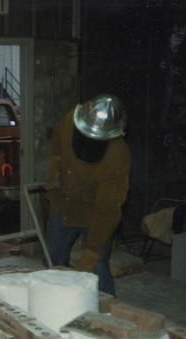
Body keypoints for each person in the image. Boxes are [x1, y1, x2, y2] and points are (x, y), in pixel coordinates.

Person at [44, 94, 130, 296]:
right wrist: (54, 171)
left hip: (95, 213)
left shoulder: (118, 155)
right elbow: (57, 148)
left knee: (97, 266)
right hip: (65, 203)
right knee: (52, 261)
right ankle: (51, 302)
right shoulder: (69, 121)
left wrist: (92, 250)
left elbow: (108, 208)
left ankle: (108, 308)